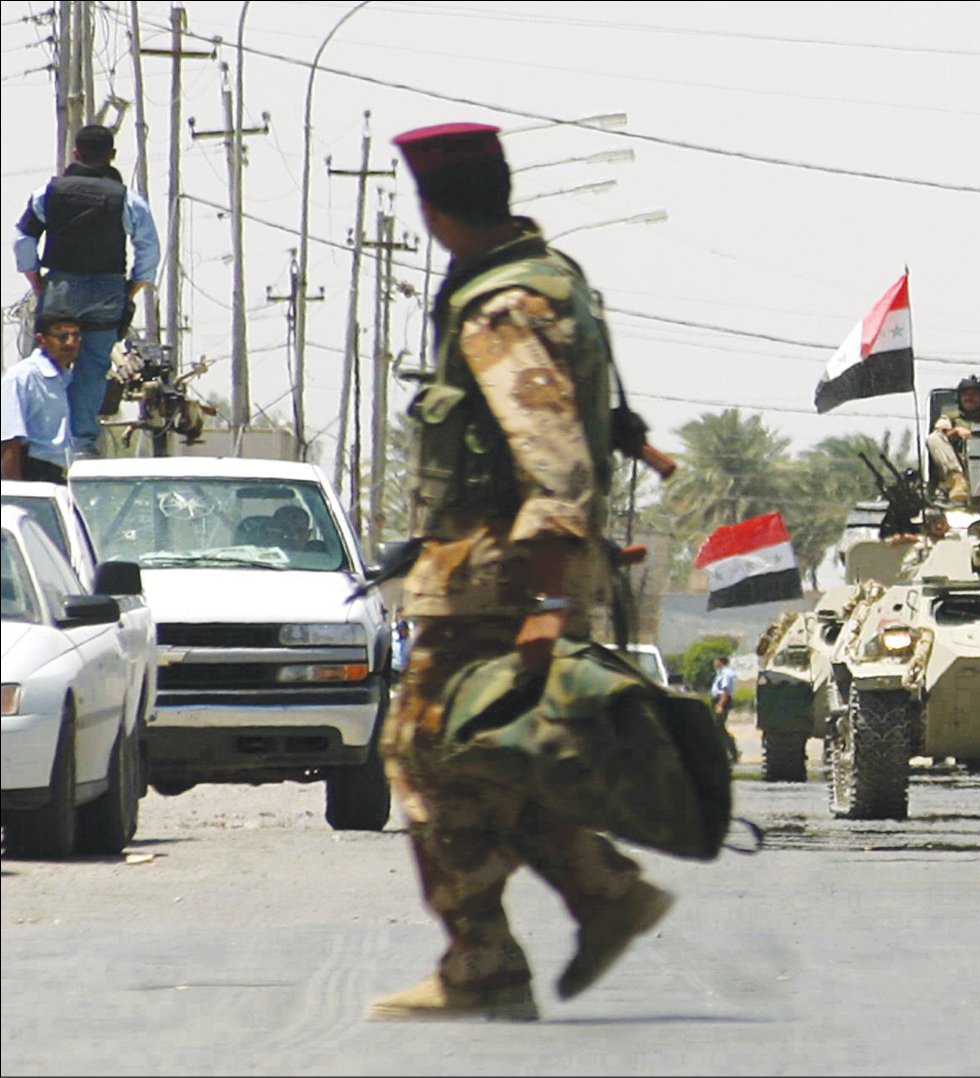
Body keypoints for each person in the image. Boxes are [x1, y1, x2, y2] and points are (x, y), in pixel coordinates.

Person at [368, 121, 669, 1023]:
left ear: (432, 211)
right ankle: (603, 895)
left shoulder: (501, 306)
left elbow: (553, 455)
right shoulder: (550, 279)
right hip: (509, 574)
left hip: (496, 580)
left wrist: (544, 597)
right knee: (499, 758)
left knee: (425, 759)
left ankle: (484, 965)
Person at [12, 124, 161, 457]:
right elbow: (149, 250)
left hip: (61, 287)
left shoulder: (48, 193)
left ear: (76, 153)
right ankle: (81, 445)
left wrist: (37, 282)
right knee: (93, 367)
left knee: (48, 363)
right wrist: (131, 289)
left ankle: (38, 441)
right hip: (107, 291)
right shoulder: (126, 199)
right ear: (112, 156)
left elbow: (23, 239)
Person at [1, 314, 82, 483]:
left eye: (75, 336)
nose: (70, 343)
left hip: (57, 473)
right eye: (62, 336)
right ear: (41, 340)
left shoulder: (64, 380)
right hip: (31, 471)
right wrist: (16, 491)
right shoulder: (23, 376)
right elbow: (9, 439)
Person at [709, 654, 739, 764]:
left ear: (721, 662)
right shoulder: (720, 673)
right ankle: (728, 752)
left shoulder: (726, 674)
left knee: (719, 728)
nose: (714, 663)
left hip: (721, 701)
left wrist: (720, 705)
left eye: (716, 661)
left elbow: (725, 691)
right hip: (717, 701)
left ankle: (732, 752)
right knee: (718, 728)